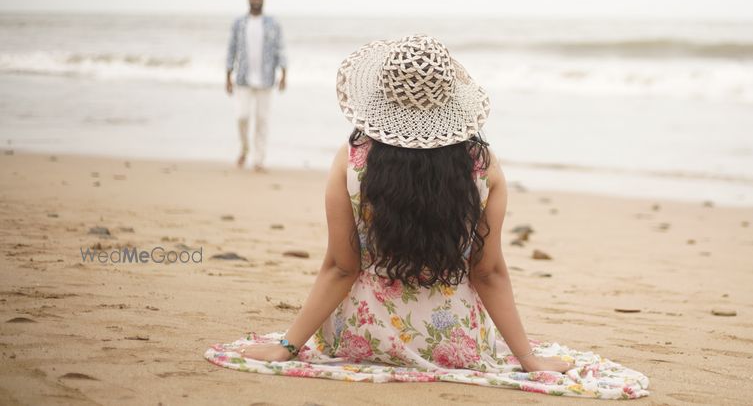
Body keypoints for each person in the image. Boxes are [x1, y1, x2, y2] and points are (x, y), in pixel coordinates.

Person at [204, 35, 650, 399]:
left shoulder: (353, 159)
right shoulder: (482, 166)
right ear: (450, 99)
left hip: (363, 336)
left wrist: (289, 345)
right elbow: (488, 272)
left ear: (381, 95)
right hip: (454, 343)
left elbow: (342, 266)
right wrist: (527, 359)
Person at [225, 0, 287, 172]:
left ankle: (259, 159)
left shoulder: (272, 23)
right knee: (242, 117)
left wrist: (284, 74)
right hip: (243, 79)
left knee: (262, 120)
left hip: (266, 79)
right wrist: (228, 75)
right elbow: (231, 49)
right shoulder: (239, 23)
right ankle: (244, 148)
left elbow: (280, 49)